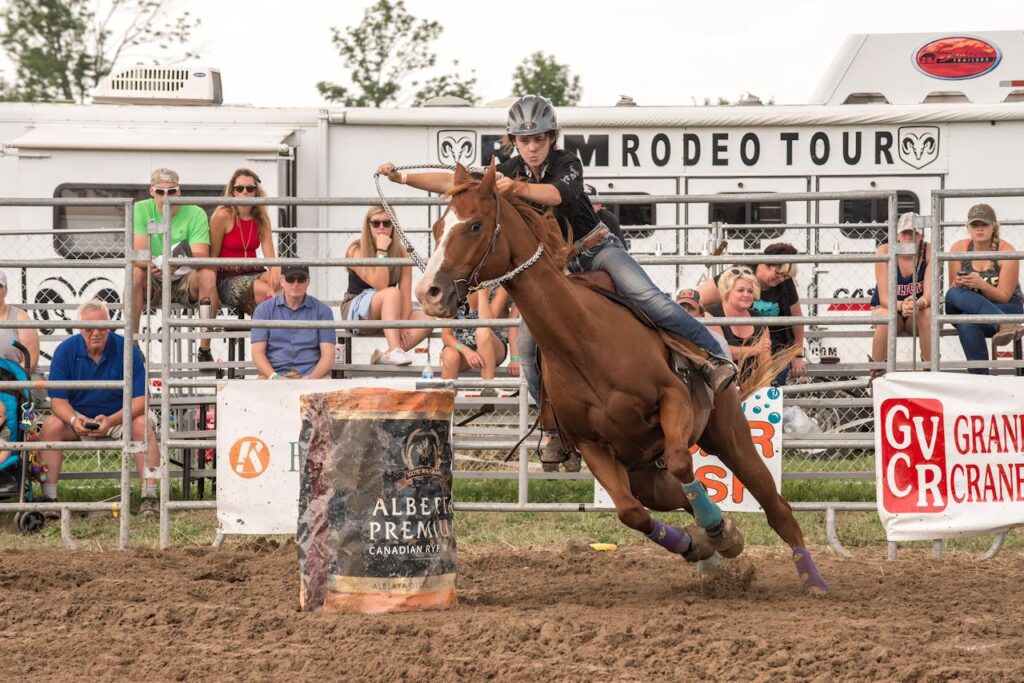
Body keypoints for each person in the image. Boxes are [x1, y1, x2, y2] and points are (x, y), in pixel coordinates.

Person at [377, 95, 735, 401]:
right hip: (554, 266)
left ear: (551, 138)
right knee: (528, 347)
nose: (532, 147)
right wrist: (402, 178)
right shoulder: (509, 169)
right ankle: (550, 423)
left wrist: (515, 190)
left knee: (650, 298)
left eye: (538, 139)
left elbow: (556, 195)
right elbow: (453, 181)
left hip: (595, 248)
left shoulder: (567, 164)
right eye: (524, 140)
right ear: (514, 141)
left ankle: (716, 357)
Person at [38, 300, 159, 516]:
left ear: (110, 325)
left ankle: (149, 497)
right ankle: (49, 499)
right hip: (79, 418)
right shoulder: (65, 350)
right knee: (50, 425)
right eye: (88, 328)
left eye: (102, 327)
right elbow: (58, 402)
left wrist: (112, 420)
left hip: (121, 417)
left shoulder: (127, 349)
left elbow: (142, 400)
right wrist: (75, 420)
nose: (96, 333)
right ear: (79, 328)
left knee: (142, 423)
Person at [130, 167, 219, 364]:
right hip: (153, 276)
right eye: (160, 191)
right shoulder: (140, 209)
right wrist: (152, 264)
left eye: (171, 191)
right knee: (135, 274)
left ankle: (204, 349)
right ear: (152, 191)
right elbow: (139, 253)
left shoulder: (195, 212)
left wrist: (167, 262)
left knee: (208, 275)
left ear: (179, 191)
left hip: (185, 279)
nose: (165, 196)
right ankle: (133, 347)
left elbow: (201, 254)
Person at [698, 242, 805, 384]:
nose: (781, 279)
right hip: (731, 339)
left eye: (785, 277)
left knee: (771, 381)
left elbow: (797, 319)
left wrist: (797, 354)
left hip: (773, 347)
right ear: (766, 264)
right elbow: (697, 300)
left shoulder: (785, 283)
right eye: (779, 274)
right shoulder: (738, 276)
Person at [340, 206, 434, 366]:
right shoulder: (355, 250)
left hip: (389, 313)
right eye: (376, 224)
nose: (381, 228)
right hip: (358, 313)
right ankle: (395, 349)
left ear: (393, 225)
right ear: (368, 225)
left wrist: (402, 324)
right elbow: (381, 284)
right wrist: (381, 250)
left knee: (427, 319)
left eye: (387, 223)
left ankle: (388, 354)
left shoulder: (403, 253)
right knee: (391, 293)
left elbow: (405, 295)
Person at [945, 203, 1024, 374]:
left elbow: (1004, 296)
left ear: (993, 227)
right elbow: (953, 289)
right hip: (972, 305)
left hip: (1005, 306)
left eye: (984, 224)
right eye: (975, 225)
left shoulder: (1006, 251)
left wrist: (981, 285)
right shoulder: (959, 248)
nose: (979, 229)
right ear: (968, 228)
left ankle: (980, 380)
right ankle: (1004, 324)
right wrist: (959, 283)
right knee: (952, 293)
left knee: (967, 322)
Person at [209, 168, 282, 315]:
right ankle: (269, 330)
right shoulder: (222, 215)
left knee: (284, 285)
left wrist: (276, 269)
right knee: (269, 291)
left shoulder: (261, 216)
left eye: (250, 188)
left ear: (256, 192)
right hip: (228, 277)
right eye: (239, 188)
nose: (245, 192)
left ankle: (276, 331)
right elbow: (212, 256)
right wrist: (211, 289)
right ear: (232, 192)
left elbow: (270, 256)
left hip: (254, 271)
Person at [869, 212, 933, 367]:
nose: (908, 237)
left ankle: (930, 369)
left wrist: (918, 304)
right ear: (897, 235)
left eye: (913, 233)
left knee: (927, 313)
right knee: (886, 316)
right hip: (889, 307)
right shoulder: (884, 252)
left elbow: (929, 295)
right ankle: (877, 373)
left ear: (921, 236)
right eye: (905, 233)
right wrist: (901, 306)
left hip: (916, 311)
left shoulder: (929, 251)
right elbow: (884, 299)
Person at [251, 265, 336, 379]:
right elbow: (257, 354)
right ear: (282, 281)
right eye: (290, 279)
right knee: (259, 392)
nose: (295, 283)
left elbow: (328, 356)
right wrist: (275, 377)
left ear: (308, 281)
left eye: (301, 279)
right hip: (274, 375)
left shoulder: (323, 311)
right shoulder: (264, 310)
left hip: (312, 374)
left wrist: (311, 380)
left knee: (326, 391)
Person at [704, 268, 771, 385]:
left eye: (750, 291)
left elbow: (766, 360)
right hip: (721, 385)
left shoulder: (758, 319)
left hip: (753, 384)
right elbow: (720, 352)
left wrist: (764, 388)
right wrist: (755, 349)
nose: (747, 295)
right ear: (727, 291)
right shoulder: (710, 314)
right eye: (740, 290)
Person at [440, 286, 510, 394]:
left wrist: (482, 291)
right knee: (449, 355)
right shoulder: (454, 289)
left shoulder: (499, 288)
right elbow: (446, 335)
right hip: (461, 348)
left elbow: (487, 323)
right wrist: (467, 351)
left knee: (482, 332)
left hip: (491, 346)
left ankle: (488, 389)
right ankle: (446, 402)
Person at [0, 270, 40, 372]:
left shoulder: (20, 317)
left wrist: (9, 380)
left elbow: (31, 360)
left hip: (19, 375)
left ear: (6, 290)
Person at [675, 287, 730, 358]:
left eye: (691, 309)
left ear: (701, 314)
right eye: (681, 308)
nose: (685, 313)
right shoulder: (665, 336)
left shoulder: (718, 341)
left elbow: (727, 368)